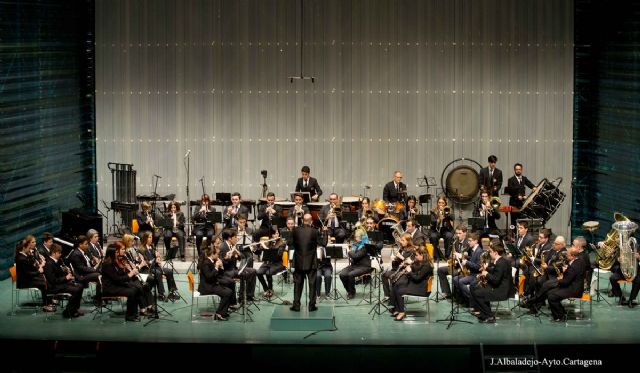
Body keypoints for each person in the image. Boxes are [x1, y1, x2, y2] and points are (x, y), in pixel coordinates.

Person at [469, 240, 513, 323]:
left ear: (495, 252)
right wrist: (487, 268)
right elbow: (496, 272)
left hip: (501, 290)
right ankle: (484, 312)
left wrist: (486, 274)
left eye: (490, 252)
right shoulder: (500, 260)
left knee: (478, 292)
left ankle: (489, 316)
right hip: (500, 286)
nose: (489, 253)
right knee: (475, 287)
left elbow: (496, 280)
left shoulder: (501, 263)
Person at [291, 213, 327, 311]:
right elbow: (323, 243)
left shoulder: (295, 230)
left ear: (302, 220)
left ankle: (296, 305)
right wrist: (325, 232)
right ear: (311, 221)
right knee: (312, 284)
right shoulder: (315, 231)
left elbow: (291, 243)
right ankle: (311, 306)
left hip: (298, 261)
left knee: (297, 284)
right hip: (311, 262)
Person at [100, 243, 145, 322]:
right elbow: (117, 279)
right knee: (132, 291)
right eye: (116, 252)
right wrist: (130, 274)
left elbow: (120, 275)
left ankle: (134, 313)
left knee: (136, 288)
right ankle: (129, 316)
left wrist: (126, 268)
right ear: (112, 253)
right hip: (110, 288)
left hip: (116, 285)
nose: (118, 254)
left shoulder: (114, 262)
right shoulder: (107, 264)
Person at [389, 246, 433, 321]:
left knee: (399, 291)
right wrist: (408, 266)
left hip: (422, 289)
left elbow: (417, 278)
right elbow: (415, 268)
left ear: (422, 255)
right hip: (418, 285)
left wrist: (409, 271)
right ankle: (397, 309)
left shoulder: (427, 265)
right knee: (397, 286)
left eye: (416, 255)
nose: (415, 256)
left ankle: (401, 312)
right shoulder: (420, 262)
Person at [15, 235, 54, 312]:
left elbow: (30, 268)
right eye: (28, 248)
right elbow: (26, 273)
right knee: (44, 283)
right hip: (24, 282)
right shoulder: (21, 258)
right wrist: (38, 271)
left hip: (28, 278)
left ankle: (48, 301)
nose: (30, 250)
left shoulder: (24, 256)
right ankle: (45, 305)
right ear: (24, 248)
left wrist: (37, 266)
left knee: (47, 279)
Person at [44, 244, 84, 318]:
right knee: (76, 290)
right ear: (53, 253)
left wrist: (66, 271)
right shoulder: (49, 264)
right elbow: (53, 280)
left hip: (60, 284)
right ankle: (68, 312)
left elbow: (59, 274)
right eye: (59, 253)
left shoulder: (56, 261)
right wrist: (66, 278)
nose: (60, 254)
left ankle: (75, 309)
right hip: (54, 287)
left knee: (80, 286)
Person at [138, 231, 179, 302]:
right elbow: (144, 262)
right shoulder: (141, 249)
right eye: (149, 237)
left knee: (169, 271)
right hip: (148, 269)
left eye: (151, 237)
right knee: (158, 272)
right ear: (145, 238)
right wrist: (154, 260)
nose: (151, 239)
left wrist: (158, 257)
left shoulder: (152, 246)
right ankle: (161, 294)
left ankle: (172, 291)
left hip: (155, 266)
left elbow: (156, 258)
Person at [219, 228, 257, 303]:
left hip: (234, 270)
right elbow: (222, 263)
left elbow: (241, 257)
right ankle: (242, 297)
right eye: (235, 237)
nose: (237, 239)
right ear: (230, 238)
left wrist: (237, 253)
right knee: (244, 274)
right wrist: (228, 257)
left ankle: (249, 296)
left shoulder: (233, 246)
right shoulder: (223, 247)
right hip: (227, 271)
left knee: (253, 271)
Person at [198, 243, 234, 321]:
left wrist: (220, 267)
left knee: (229, 291)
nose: (218, 256)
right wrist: (216, 267)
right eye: (217, 254)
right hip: (207, 287)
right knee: (227, 293)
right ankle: (218, 313)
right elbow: (209, 277)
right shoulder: (205, 263)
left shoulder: (211, 261)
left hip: (212, 284)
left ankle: (223, 312)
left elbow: (218, 274)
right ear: (212, 254)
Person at [436, 225, 469, 300]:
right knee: (440, 270)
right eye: (457, 233)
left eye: (460, 233)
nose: (457, 235)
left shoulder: (468, 243)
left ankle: (457, 295)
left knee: (454, 274)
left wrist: (460, 256)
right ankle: (447, 293)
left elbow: (469, 257)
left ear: (465, 233)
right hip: (456, 265)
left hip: (464, 268)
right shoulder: (456, 242)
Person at [339, 227, 372, 300]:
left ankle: (352, 292)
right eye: (355, 237)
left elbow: (355, 256)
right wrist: (351, 250)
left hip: (364, 266)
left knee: (351, 275)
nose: (355, 238)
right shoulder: (356, 245)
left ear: (361, 237)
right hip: (354, 265)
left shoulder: (365, 246)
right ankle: (349, 290)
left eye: (356, 237)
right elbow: (353, 256)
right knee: (342, 274)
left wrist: (348, 250)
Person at [382, 233, 416, 301]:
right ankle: (387, 295)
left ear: (408, 241)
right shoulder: (402, 248)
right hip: (397, 269)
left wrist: (400, 256)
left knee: (392, 276)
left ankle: (393, 296)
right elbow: (398, 261)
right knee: (383, 275)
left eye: (403, 240)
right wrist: (394, 259)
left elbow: (409, 263)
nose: (401, 242)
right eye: (401, 240)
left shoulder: (412, 251)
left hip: (404, 271)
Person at [256, 229, 287, 298]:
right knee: (258, 273)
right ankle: (266, 288)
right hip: (267, 263)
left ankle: (270, 289)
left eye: (277, 233)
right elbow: (258, 252)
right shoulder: (268, 242)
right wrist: (256, 248)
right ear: (271, 235)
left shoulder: (282, 243)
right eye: (274, 234)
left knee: (268, 273)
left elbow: (278, 255)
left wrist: (265, 247)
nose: (276, 235)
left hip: (277, 263)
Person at [453, 232, 483, 302]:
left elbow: (478, 266)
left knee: (461, 281)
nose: (468, 242)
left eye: (470, 241)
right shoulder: (473, 250)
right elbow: (473, 260)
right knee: (455, 279)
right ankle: (463, 299)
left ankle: (473, 299)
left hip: (475, 275)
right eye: (468, 240)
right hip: (471, 273)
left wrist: (467, 262)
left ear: (476, 241)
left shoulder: (479, 251)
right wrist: (465, 257)